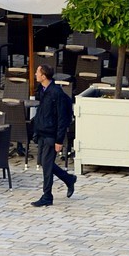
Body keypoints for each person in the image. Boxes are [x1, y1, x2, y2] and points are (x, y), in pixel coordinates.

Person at [30, 63, 76, 207]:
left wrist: (59, 140)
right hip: (43, 132)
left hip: (51, 134)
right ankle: (68, 179)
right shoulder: (42, 90)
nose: (35, 75)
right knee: (45, 163)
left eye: (37, 73)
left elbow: (62, 118)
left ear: (44, 76)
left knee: (47, 165)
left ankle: (47, 196)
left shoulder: (56, 93)